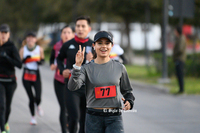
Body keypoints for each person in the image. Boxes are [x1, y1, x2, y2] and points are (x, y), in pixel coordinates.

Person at [68, 31, 135, 133]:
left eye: (107, 43)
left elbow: (128, 91)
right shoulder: (86, 68)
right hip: (93, 118)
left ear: (112, 46)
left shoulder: (119, 67)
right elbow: (72, 86)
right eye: (100, 43)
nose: (104, 46)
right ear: (94, 46)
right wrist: (77, 66)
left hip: (114, 118)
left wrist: (129, 101)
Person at [57, 16, 93, 133]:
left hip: (88, 87)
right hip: (72, 87)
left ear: (89, 28)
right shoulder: (68, 44)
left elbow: (102, 64)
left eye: (83, 26)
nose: (80, 29)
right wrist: (63, 70)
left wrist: (93, 60)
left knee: (85, 119)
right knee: (74, 117)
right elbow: (59, 59)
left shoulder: (94, 46)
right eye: (78, 26)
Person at [49, 25, 75, 133]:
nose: (66, 35)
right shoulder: (56, 46)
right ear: (61, 35)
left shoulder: (76, 46)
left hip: (73, 82)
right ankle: (64, 130)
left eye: (69, 32)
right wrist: (52, 65)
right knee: (63, 107)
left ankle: (71, 125)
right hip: (59, 81)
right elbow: (51, 59)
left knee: (72, 108)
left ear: (73, 34)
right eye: (64, 32)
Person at [19, 31, 45, 125]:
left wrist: (39, 62)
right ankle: (33, 117)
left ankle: (38, 105)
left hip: (36, 75)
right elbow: (19, 62)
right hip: (26, 75)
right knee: (31, 98)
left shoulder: (39, 49)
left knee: (38, 97)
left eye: (32, 37)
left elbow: (43, 60)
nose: (30, 39)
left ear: (35, 39)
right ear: (26, 39)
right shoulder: (22, 49)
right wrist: (24, 60)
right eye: (28, 37)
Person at [0, 24, 22, 133]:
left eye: (5, 33)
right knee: (1, 106)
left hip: (11, 81)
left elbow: (19, 64)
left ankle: (4, 123)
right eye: (1, 33)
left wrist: (7, 57)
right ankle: (3, 129)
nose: (3, 35)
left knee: (7, 107)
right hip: (0, 81)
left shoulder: (12, 47)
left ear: (9, 34)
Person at [173, 26, 186, 94]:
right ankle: (180, 89)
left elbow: (180, 49)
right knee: (178, 74)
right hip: (178, 59)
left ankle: (182, 90)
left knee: (180, 74)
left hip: (180, 59)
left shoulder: (181, 38)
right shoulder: (179, 38)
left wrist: (175, 54)